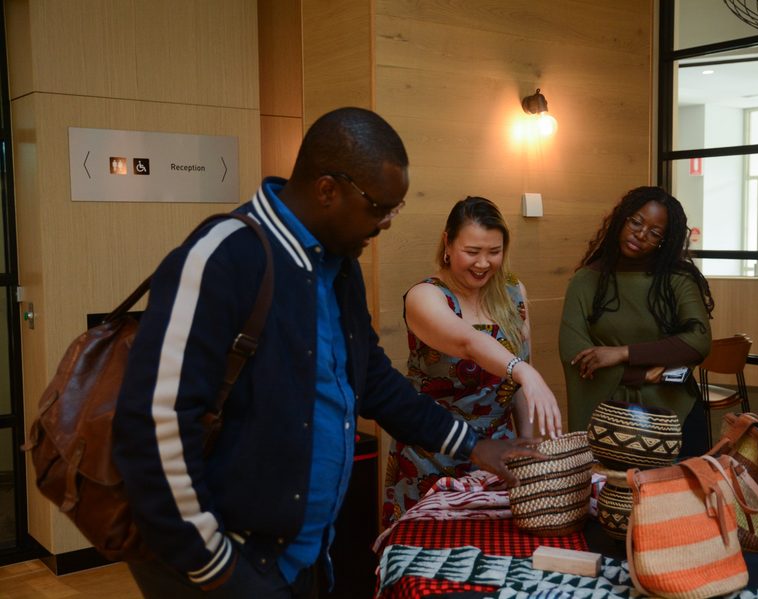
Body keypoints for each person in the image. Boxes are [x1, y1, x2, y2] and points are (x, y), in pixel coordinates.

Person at [112, 107, 544, 598]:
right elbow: (153, 426)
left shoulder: (339, 267)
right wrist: (214, 567)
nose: (385, 224)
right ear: (327, 190)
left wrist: (473, 446)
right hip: (231, 566)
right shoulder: (224, 255)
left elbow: (373, 381)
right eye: (379, 207)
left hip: (303, 555)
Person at [381, 196, 563, 526]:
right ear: (447, 244)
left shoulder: (513, 292)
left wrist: (527, 445)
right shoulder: (426, 296)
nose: (483, 263)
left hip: (497, 456)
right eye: (472, 251)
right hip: (433, 454)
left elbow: (517, 386)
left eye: (494, 252)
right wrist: (524, 371)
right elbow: (469, 342)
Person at [558, 186, 714, 457]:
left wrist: (622, 353)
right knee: (612, 486)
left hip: (674, 415)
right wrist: (640, 375)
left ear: (664, 240)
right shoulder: (586, 281)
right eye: (636, 222)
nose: (641, 235)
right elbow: (574, 354)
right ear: (622, 219)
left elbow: (698, 340)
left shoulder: (678, 280)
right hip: (609, 420)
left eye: (654, 233)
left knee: (683, 485)